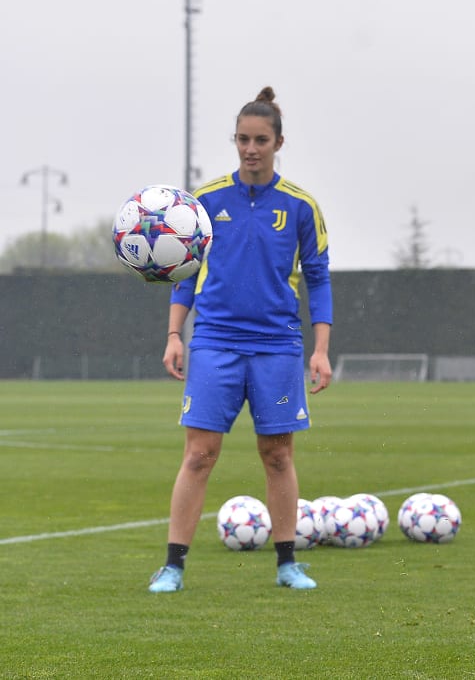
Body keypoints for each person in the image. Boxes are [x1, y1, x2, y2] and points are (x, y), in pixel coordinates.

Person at [148, 86, 334, 593]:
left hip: (277, 345)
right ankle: (173, 567)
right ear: (235, 141)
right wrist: (174, 334)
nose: (251, 148)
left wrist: (319, 349)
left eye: (261, 140)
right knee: (199, 455)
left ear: (278, 142)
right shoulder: (205, 201)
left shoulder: (300, 206)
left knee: (277, 454)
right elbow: (186, 272)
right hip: (215, 342)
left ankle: (288, 564)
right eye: (243, 139)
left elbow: (318, 279)